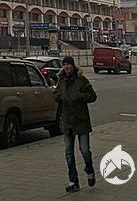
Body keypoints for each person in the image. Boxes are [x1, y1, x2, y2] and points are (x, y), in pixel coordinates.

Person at [54, 55, 97, 193]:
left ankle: (89, 170)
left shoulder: (81, 80)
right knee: (68, 152)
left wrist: (79, 97)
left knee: (85, 151)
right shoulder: (61, 80)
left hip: (81, 120)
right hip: (67, 121)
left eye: (69, 64)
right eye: (64, 64)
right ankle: (73, 181)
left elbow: (93, 96)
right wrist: (59, 97)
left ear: (73, 66)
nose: (66, 67)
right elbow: (56, 93)